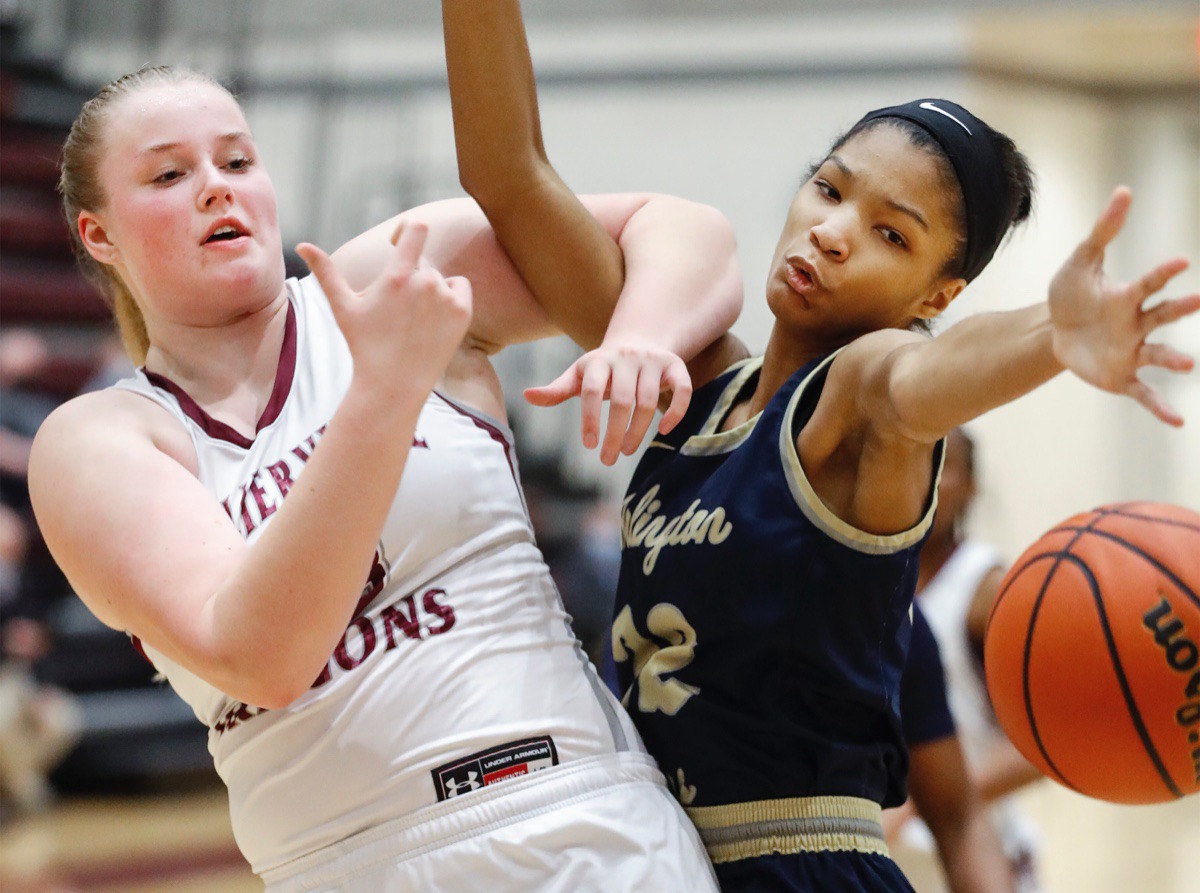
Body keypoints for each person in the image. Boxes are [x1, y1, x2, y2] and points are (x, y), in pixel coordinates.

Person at [450, 3, 1200, 890]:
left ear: (937, 291)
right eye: (831, 188)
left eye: (892, 234)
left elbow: (919, 382)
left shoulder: (861, 390)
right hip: (648, 854)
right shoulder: (688, 376)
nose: (833, 230)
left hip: (797, 866)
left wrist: (1051, 337)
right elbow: (511, 178)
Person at [29, 62, 744, 890]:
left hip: (579, 820)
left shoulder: (383, 276)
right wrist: (385, 391)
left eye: (236, 161)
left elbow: (683, 228)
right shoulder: (100, 437)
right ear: (99, 235)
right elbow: (262, 654)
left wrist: (640, 331)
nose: (216, 190)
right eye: (169, 173)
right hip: (351, 863)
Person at [889, 427, 1045, 892]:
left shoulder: (986, 588)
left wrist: (928, 799)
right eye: (917, 461)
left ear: (972, 485)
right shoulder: (874, 580)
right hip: (895, 856)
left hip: (980, 847)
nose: (929, 480)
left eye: (945, 465)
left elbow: (1039, 748)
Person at [890, 603, 1015, 893]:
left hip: (977, 832)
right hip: (902, 855)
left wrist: (909, 807)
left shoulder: (981, 585)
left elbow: (1029, 752)